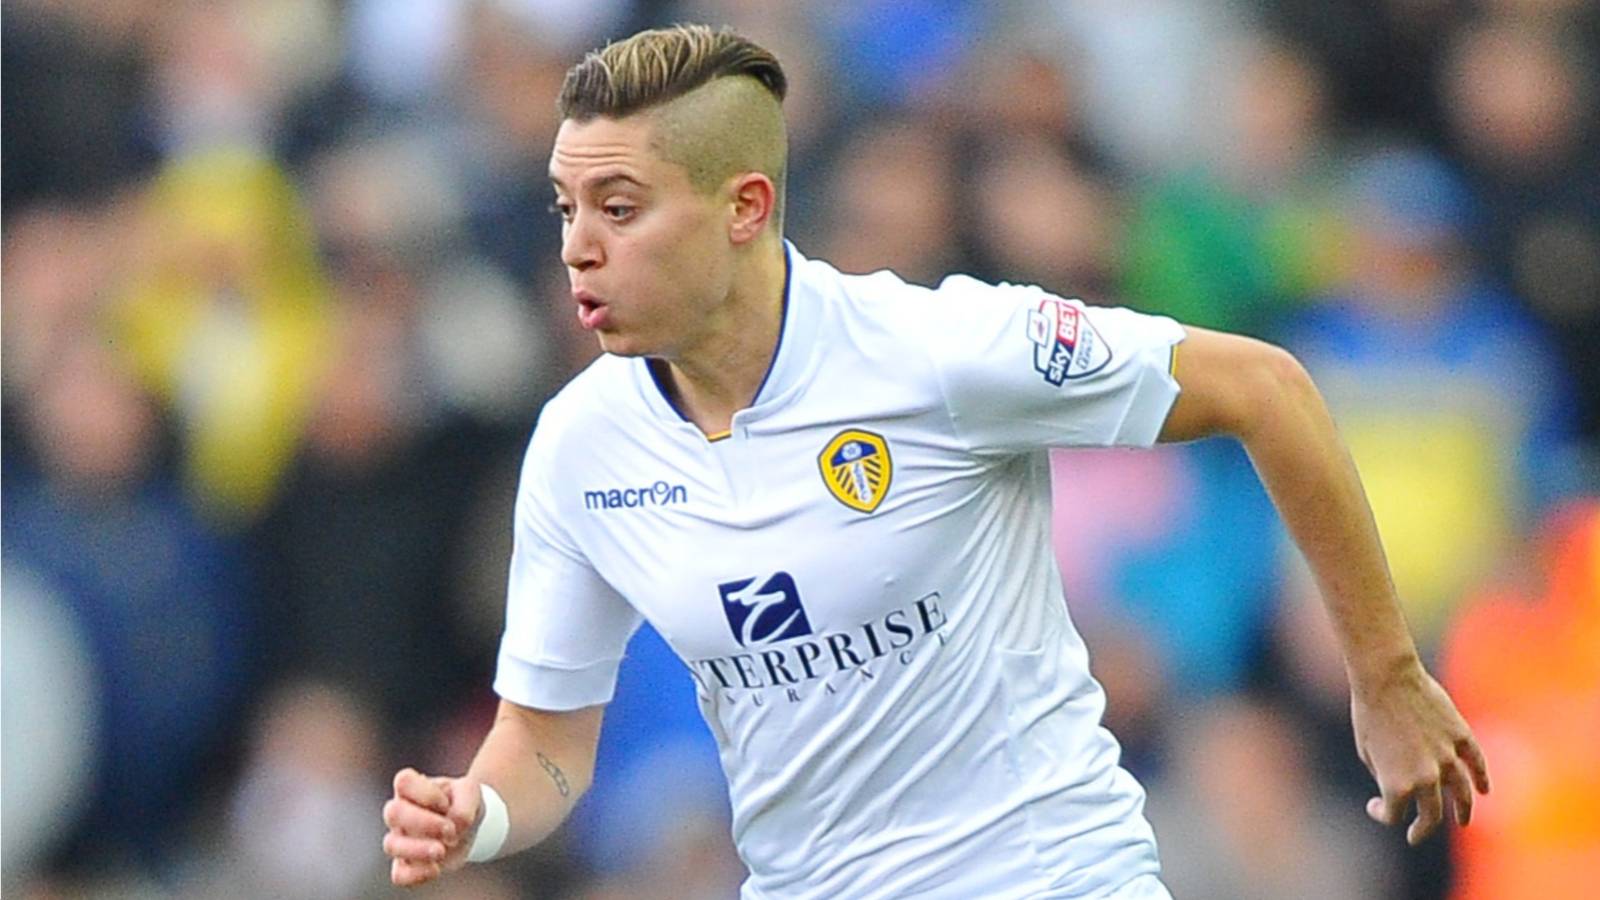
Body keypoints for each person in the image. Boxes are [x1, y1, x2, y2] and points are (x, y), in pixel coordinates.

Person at [381, 24, 1491, 899]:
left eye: (619, 208)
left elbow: (1267, 389)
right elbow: (548, 739)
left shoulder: (938, 352)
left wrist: (1385, 674)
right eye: (566, 207)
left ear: (744, 208)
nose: (577, 245)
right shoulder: (581, 445)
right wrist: (479, 813)